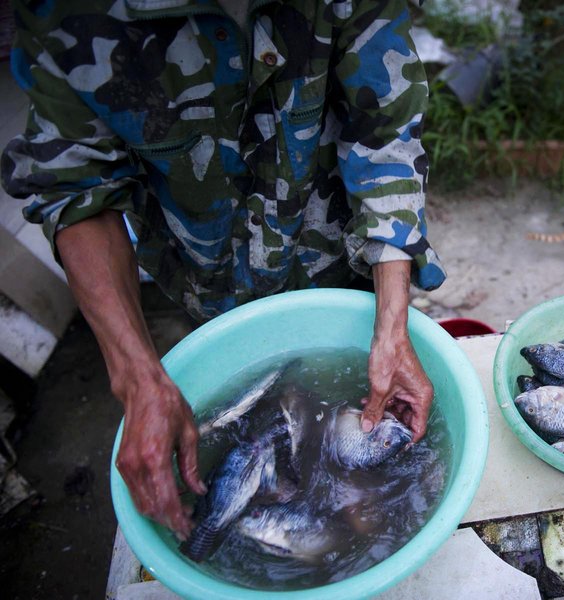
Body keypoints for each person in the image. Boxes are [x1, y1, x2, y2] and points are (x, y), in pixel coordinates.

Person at [1, 0, 446, 540]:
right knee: (240, 438)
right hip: (209, 286)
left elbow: (386, 135)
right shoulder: (66, 11)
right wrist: (138, 378)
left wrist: (392, 324)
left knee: (354, 485)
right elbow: (75, 191)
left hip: (342, 267)